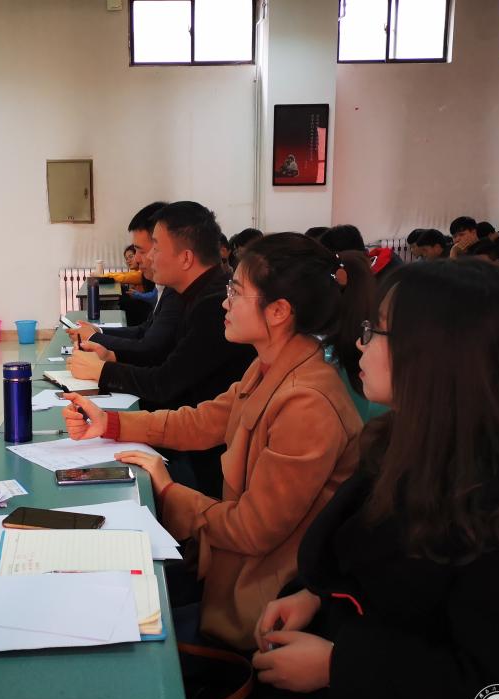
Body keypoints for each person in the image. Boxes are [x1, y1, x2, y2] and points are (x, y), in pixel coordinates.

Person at [199, 259, 499, 699]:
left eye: (377, 332)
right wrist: (315, 596)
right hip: (344, 690)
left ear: (436, 354)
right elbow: (363, 569)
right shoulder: (403, 445)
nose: (360, 344)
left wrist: (340, 668)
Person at [61, 233, 371, 650]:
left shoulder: (307, 402)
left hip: (256, 609)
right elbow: (201, 421)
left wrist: (168, 491)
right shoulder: (270, 366)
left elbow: (251, 530)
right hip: (228, 573)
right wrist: (110, 423)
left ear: (279, 311)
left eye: (236, 292)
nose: (225, 303)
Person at [68, 201, 257, 495]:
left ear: (185, 258)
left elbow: (165, 383)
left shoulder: (212, 305)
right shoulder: (191, 293)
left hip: (205, 461)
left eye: (155, 247)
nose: (147, 257)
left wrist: (105, 371)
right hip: (194, 435)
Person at [67, 203, 185, 367]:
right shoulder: (169, 288)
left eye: (142, 251)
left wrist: (102, 363)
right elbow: (144, 331)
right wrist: (98, 333)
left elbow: (149, 351)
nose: (136, 259)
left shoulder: (179, 295)